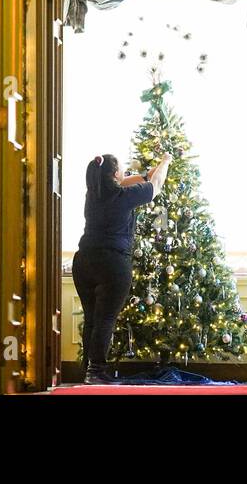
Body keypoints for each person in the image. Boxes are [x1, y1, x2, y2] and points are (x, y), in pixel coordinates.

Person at [72, 150, 171, 383]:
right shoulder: (123, 196)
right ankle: (96, 371)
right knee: (105, 319)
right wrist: (165, 161)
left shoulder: (93, 193)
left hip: (84, 261)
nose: (125, 172)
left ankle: (89, 369)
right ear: (115, 174)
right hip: (112, 263)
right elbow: (156, 185)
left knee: (92, 319)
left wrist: (147, 172)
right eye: (122, 169)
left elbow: (135, 180)